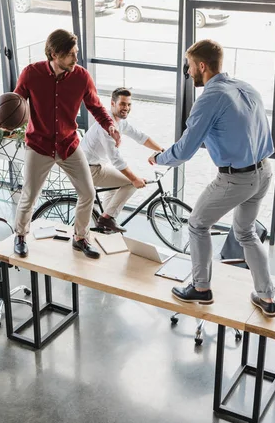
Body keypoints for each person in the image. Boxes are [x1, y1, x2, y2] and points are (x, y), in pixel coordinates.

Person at [148, 39, 275, 317]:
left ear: (202, 66)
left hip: (236, 179)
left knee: (197, 224)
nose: (188, 71)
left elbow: (184, 151)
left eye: (190, 66)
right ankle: (266, 297)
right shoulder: (246, 87)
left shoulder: (209, 98)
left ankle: (201, 288)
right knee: (245, 232)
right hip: (264, 172)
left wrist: (159, 158)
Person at [12, 29, 120, 259]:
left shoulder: (81, 76)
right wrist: (7, 121)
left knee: (88, 192)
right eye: (70, 54)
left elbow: (96, 106)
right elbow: (17, 102)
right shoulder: (31, 73)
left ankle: (80, 238)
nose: (75, 58)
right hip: (38, 145)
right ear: (54, 54)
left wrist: (109, 125)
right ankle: (20, 235)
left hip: (68, 144)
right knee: (30, 194)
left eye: (76, 52)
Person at [80, 87, 164, 233]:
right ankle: (106, 218)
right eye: (122, 104)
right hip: (89, 169)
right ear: (113, 103)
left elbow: (140, 137)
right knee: (130, 183)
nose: (126, 108)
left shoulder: (119, 122)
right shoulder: (107, 126)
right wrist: (135, 179)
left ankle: (105, 225)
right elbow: (116, 159)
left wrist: (162, 150)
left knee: (116, 186)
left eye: (129, 104)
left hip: (96, 166)